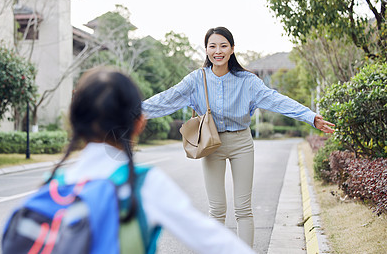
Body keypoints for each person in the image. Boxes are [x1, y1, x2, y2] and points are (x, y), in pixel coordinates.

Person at [142, 27, 335, 247]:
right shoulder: (196, 79)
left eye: (223, 46)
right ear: (206, 49)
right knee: (217, 209)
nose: (218, 51)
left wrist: (310, 117)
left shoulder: (247, 81)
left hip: (241, 143)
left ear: (232, 49)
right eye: (212, 46)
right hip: (210, 144)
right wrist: (135, 111)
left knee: (243, 208)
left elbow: (276, 100)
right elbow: (167, 98)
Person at [48, 67, 254, 254]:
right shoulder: (145, 185)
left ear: (73, 121)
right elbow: (214, 242)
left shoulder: (51, 186)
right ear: (139, 124)